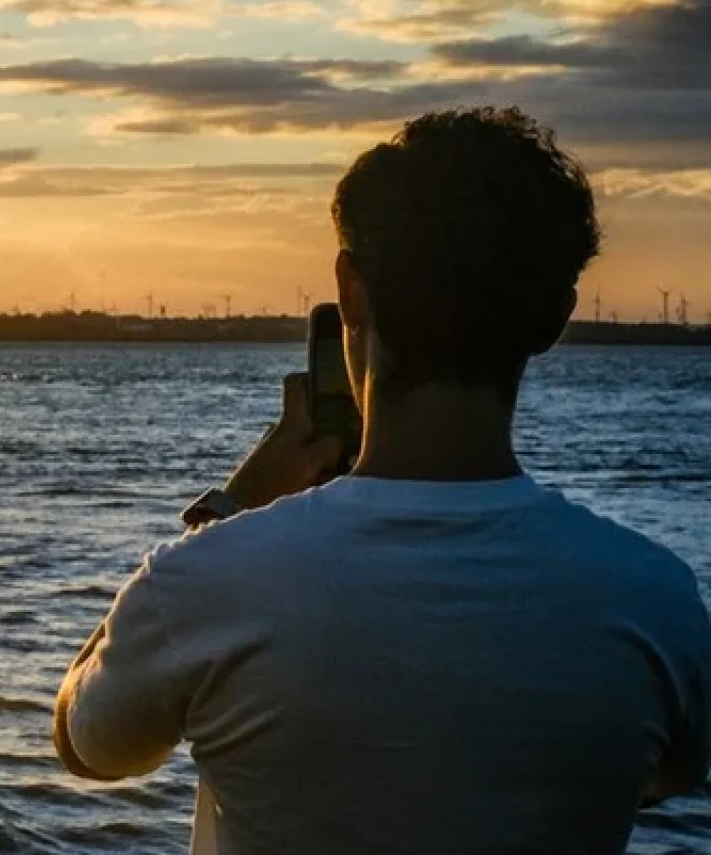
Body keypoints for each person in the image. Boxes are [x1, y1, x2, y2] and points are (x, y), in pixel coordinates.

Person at [53, 107, 711, 855]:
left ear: (351, 291)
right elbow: (667, 772)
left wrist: (230, 512)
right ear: (557, 317)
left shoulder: (209, 582)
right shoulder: (655, 601)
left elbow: (90, 747)